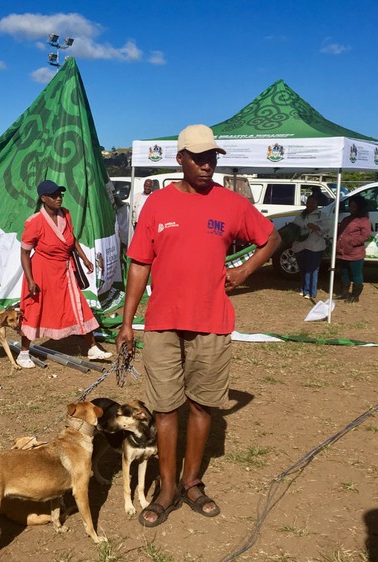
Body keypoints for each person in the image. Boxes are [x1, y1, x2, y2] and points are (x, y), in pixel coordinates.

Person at [116, 125, 280, 528]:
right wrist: (127, 323)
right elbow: (139, 263)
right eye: (199, 158)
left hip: (212, 322)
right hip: (162, 324)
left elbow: (271, 238)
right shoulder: (157, 204)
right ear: (181, 159)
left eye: (212, 158)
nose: (207, 165)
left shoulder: (231, 204)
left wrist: (245, 270)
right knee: (165, 408)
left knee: (202, 405)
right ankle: (167, 488)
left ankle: (192, 482)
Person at [17, 179, 112, 368]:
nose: (59, 198)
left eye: (60, 194)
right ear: (44, 198)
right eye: (54, 195)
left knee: (79, 305)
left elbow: (72, 239)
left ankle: (92, 347)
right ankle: (24, 352)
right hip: (42, 271)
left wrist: (84, 259)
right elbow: (25, 253)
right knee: (34, 308)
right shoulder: (35, 222)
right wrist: (30, 279)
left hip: (65, 269)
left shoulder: (66, 214)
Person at [292, 193, 329, 301]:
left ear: (317, 204)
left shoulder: (322, 215)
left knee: (312, 269)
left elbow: (327, 228)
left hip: (315, 246)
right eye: (308, 202)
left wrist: (316, 227)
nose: (310, 205)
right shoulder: (300, 214)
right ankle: (303, 288)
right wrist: (305, 226)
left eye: (313, 203)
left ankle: (311, 292)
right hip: (301, 245)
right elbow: (295, 226)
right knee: (303, 268)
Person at [335, 194, 372, 303]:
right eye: (350, 206)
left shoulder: (364, 220)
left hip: (355, 253)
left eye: (354, 207)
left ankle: (355, 295)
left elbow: (365, 236)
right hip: (342, 252)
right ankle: (344, 292)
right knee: (344, 272)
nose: (351, 209)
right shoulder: (347, 218)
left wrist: (351, 242)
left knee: (356, 274)